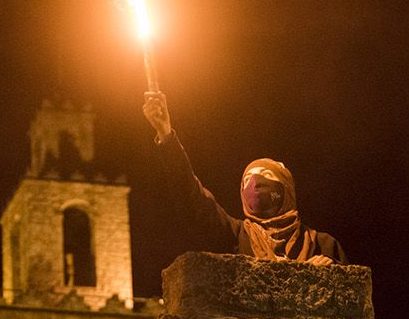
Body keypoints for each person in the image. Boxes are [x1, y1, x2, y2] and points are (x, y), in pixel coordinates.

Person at [143, 90, 345, 264]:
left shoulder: (323, 244)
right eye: (247, 179)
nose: (255, 183)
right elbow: (191, 197)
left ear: (286, 188)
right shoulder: (236, 236)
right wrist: (166, 135)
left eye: (265, 174)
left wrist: (331, 269)